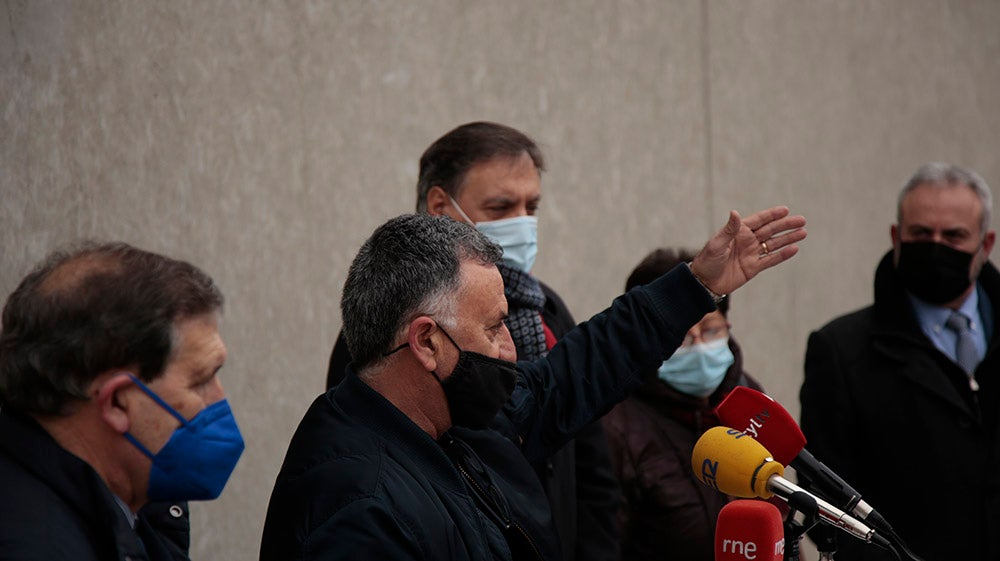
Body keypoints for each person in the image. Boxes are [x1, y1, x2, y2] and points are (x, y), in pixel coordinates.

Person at [261, 207, 805, 560]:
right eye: (494, 326)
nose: (510, 349)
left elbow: (572, 375)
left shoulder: (455, 421)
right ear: (425, 343)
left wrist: (694, 288)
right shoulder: (359, 507)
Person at [326, 121, 620, 561]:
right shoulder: (379, 336)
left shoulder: (548, 309)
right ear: (441, 207)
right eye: (501, 207)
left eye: (531, 206)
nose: (522, 223)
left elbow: (590, 460)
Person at [800, 162, 1000, 561]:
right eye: (921, 233)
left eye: (955, 236)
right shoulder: (841, 351)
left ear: (986, 244)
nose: (936, 246)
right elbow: (825, 504)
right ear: (896, 237)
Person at [0, 241, 245, 561]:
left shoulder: (136, 511)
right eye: (200, 381)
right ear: (117, 402)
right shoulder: (36, 546)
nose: (219, 400)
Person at [601, 247, 765, 561]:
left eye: (711, 330)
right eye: (682, 337)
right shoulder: (616, 428)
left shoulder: (747, 396)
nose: (700, 347)